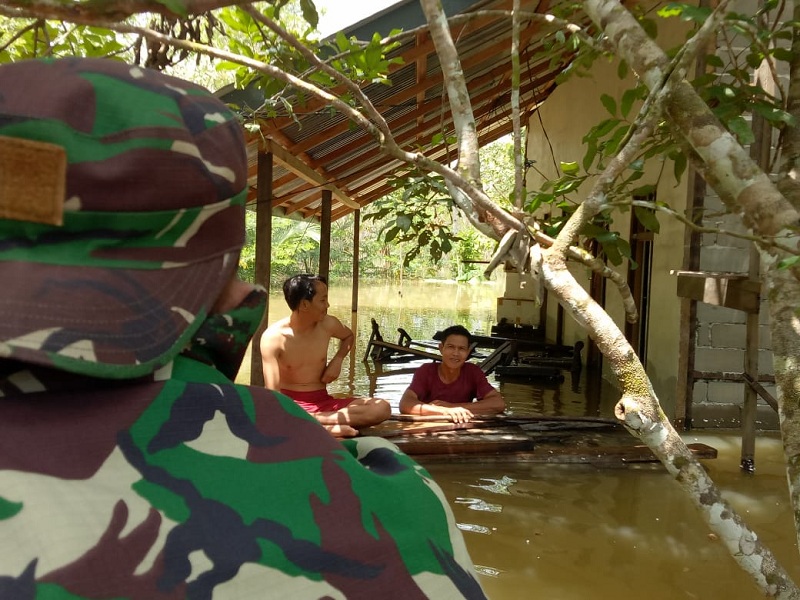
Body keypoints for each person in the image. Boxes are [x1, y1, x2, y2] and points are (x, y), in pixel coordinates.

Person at [0, 57, 487, 600]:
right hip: (302, 412)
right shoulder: (398, 504)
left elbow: (328, 368)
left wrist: (334, 374)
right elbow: (277, 402)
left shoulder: (327, 328)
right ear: (228, 285)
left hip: (316, 405)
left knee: (367, 411)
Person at [261, 274, 391, 437]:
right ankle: (318, 424)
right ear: (304, 304)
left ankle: (311, 422)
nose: (327, 305)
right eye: (322, 300)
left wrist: (338, 360)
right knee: (272, 413)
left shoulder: (328, 324)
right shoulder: (273, 338)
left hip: (324, 402)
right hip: (291, 405)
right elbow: (273, 394)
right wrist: (284, 412)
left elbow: (348, 336)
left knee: (382, 407)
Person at [399, 325, 505, 423]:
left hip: (461, 429)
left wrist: (453, 407)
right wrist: (443, 411)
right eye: (450, 347)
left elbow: (498, 404)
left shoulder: (473, 372)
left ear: (468, 353)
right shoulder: (426, 371)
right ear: (441, 348)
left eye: (461, 349)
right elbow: (405, 404)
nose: (455, 353)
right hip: (428, 428)